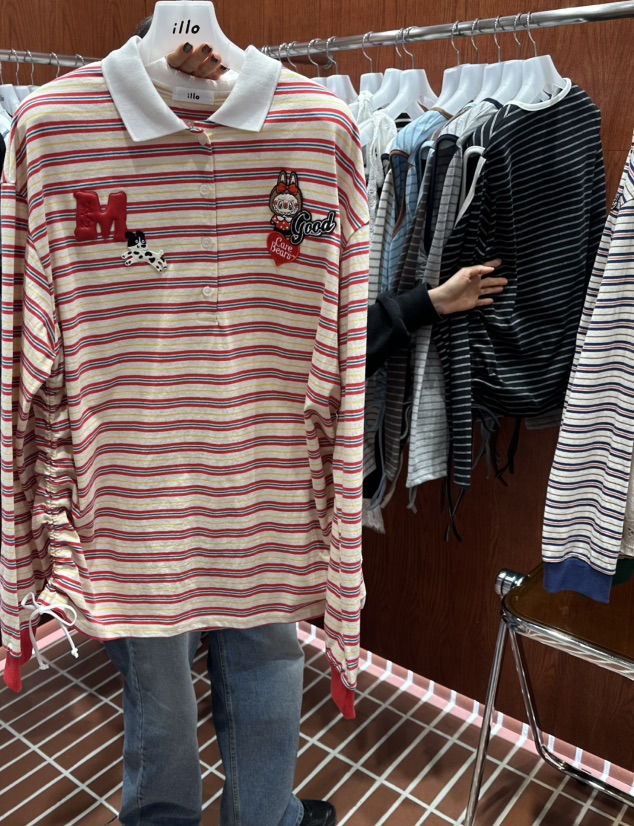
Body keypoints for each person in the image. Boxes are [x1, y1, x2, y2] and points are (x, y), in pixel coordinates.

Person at [100, 24, 508, 826]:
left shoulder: (303, 141)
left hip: (252, 467)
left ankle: (253, 814)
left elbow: (320, 313)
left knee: (252, 651)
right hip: (159, 474)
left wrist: (423, 304)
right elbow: (129, 286)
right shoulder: (84, 154)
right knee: (171, 669)